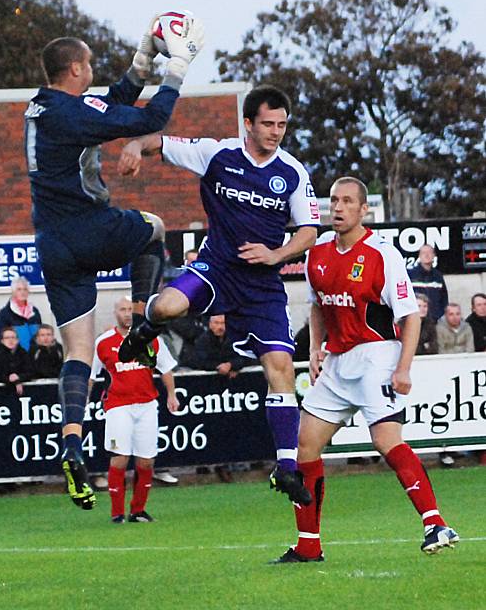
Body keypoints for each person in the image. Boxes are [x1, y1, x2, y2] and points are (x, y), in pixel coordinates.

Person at [24, 15, 204, 509]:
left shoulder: (43, 107)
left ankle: (71, 443)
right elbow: (148, 120)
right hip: (85, 227)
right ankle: (144, 331)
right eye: (90, 65)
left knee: (77, 352)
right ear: (78, 69)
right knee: (154, 228)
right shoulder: (70, 114)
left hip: (53, 244)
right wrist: (178, 66)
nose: (92, 71)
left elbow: (111, 105)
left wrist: (142, 62)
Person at [117, 85, 321, 505]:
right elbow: (162, 143)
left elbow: (309, 232)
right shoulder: (218, 154)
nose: (276, 132)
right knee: (170, 305)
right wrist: (136, 144)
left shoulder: (293, 172)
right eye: (268, 123)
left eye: (282, 124)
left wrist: (277, 253)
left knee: (280, 367)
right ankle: (143, 329)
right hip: (217, 268)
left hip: (262, 284)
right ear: (248, 123)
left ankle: (285, 468)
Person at [272, 177, 458, 564]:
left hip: (377, 355)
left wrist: (403, 369)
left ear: (363, 210)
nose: (337, 208)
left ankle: (435, 523)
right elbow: (318, 306)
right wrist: (315, 351)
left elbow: (410, 317)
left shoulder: (381, 253)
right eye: (333, 201)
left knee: (386, 440)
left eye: (347, 202)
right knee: (304, 444)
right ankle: (308, 545)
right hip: (339, 361)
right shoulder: (317, 251)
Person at [90, 297, 179, 523]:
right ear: (115, 313)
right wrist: (81, 401)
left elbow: (165, 368)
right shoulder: (103, 342)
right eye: (123, 309)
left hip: (147, 404)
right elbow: (90, 375)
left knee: (147, 460)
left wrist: (171, 394)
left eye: (130, 309)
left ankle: (138, 510)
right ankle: (116, 512)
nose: (127, 313)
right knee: (120, 457)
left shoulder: (150, 339)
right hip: (118, 405)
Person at [0, 276, 42, 351]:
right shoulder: (5, 313)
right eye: (19, 289)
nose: (22, 292)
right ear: (13, 292)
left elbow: (40, 335)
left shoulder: (34, 312)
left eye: (25, 289)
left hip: (33, 359)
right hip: (15, 359)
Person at [408, 244, 448, 323]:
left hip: (435, 321)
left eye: (429, 252)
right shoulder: (410, 275)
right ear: (419, 256)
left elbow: (444, 298)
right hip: (415, 321)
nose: (427, 255)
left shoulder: (438, 276)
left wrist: (440, 315)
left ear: (434, 255)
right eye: (423, 253)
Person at [0, 327, 35, 395]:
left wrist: (19, 377)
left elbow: (31, 372)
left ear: (17, 340)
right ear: (2, 341)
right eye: (7, 338)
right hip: (3, 393)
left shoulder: (24, 354)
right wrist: (9, 379)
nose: (10, 340)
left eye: (13, 337)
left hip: (25, 394)